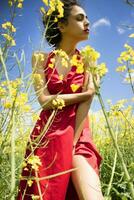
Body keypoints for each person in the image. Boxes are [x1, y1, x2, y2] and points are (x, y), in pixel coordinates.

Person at [17, 0, 104, 199]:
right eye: (80, 18)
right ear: (62, 25)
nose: (87, 22)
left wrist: (72, 143)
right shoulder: (39, 58)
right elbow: (44, 100)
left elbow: (85, 105)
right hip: (46, 136)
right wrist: (86, 93)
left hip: (78, 134)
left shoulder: (89, 59)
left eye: (87, 18)